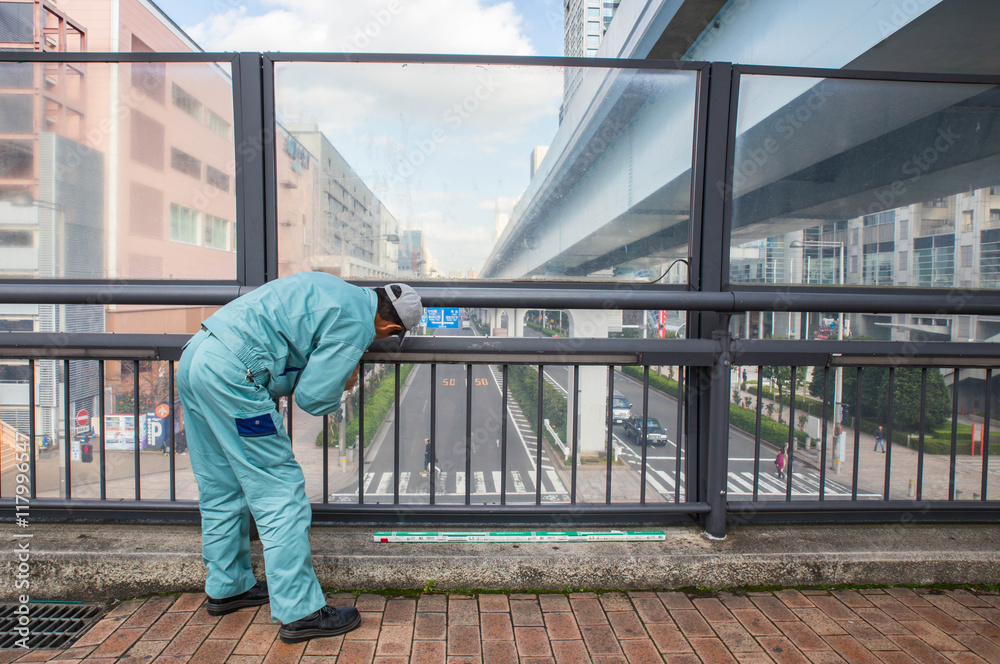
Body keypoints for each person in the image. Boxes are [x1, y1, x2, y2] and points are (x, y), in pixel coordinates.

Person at [176, 273, 422, 644]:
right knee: (281, 493)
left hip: (196, 356)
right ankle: (301, 611)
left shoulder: (334, 287)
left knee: (221, 485)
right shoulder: (358, 323)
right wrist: (346, 377)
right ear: (389, 325)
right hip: (233, 378)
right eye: (386, 337)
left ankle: (229, 585)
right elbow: (314, 399)